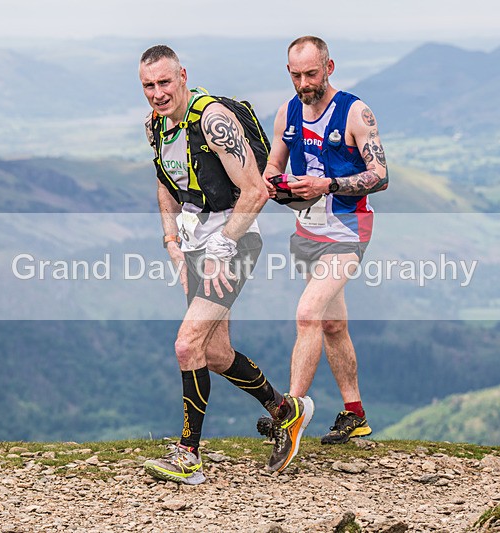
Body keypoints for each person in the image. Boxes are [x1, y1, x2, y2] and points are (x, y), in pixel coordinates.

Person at [138, 45, 314, 484]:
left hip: (234, 240)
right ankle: (286, 411)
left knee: (187, 345)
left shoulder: (214, 121)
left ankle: (188, 456)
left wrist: (223, 246)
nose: (158, 93)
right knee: (214, 353)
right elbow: (165, 180)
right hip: (195, 242)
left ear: (182, 76)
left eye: (164, 82)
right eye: (148, 85)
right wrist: (171, 240)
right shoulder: (156, 125)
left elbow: (255, 190)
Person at [261, 36, 388, 447]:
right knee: (333, 324)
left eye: (312, 74)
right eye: (296, 75)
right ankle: (356, 414)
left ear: (329, 68)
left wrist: (327, 184)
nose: (304, 83)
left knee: (307, 314)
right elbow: (273, 166)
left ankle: (290, 414)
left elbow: (381, 175)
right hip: (307, 232)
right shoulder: (288, 112)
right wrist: (277, 184)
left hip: (348, 231)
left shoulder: (355, 112)